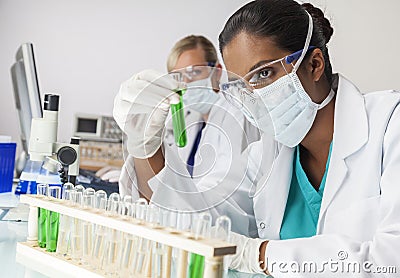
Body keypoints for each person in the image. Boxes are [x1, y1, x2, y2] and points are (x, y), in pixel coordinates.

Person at [215, 0, 400, 276]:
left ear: (314, 64)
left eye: (263, 74)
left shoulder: (390, 125)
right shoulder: (264, 156)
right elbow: (203, 216)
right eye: (241, 86)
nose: (253, 97)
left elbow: (391, 260)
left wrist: (260, 255)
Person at [113, 35, 260, 237]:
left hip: (221, 229)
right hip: (187, 221)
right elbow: (175, 180)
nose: (186, 83)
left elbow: (220, 198)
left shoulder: (237, 115)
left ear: (216, 72)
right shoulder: (192, 123)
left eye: (194, 72)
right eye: (178, 77)